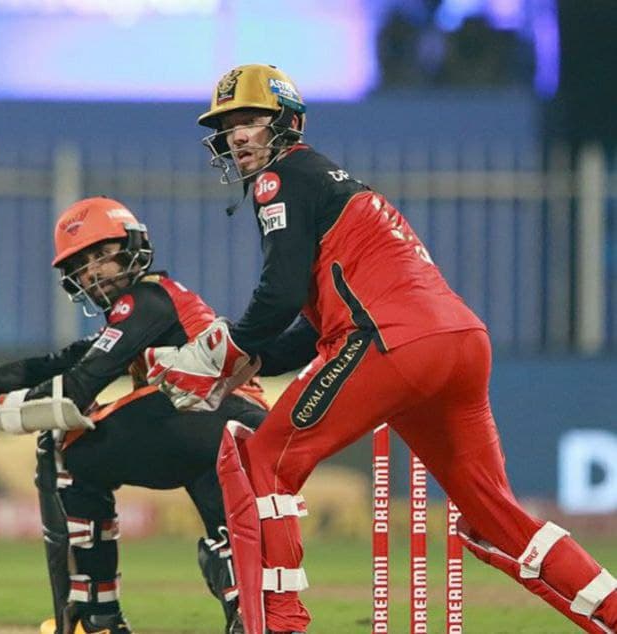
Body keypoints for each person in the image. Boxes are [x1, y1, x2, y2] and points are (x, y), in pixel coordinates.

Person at [145, 64, 617, 634]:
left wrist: (219, 350)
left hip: (392, 342)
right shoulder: (333, 185)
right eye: (228, 126)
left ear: (288, 122)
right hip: (458, 342)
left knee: (261, 461)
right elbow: (312, 328)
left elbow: (278, 296)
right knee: (494, 518)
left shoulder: (280, 180)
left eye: (250, 120)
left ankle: (280, 625)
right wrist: (255, 360)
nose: (237, 135)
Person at [0, 197, 283, 634]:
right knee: (231, 553)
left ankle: (95, 619)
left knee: (68, 446)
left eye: (102, 255)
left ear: (133, 247)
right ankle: (253, 621)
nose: (93, 272)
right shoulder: (149, 308)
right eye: (81, 265)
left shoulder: (146, 301)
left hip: (209, 418)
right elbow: (58, 364)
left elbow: (77, 388)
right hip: (240, 433)